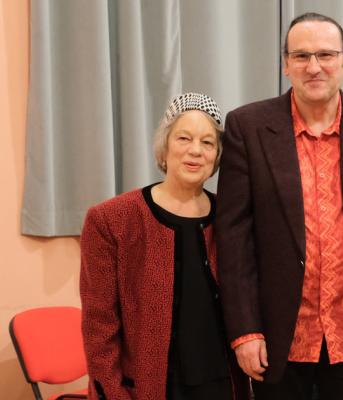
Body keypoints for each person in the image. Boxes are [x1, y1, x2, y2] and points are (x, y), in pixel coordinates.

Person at [214, 12, 343, 400]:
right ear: (286, 64)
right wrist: (245, 330)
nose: (314, 66)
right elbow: (234, 238)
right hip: (276, 338)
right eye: (301, 56)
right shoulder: (248, 127)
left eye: (326, 54)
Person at [80, 93, 250, 400]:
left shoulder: (230, 216)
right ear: (165, 146)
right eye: (184, 138)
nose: (195, 150)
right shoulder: (112, 219)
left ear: (217, 155)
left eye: (208, 142)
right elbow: (99, 325)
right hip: (148, 387)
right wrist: (112, 394)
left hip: (222, 383)